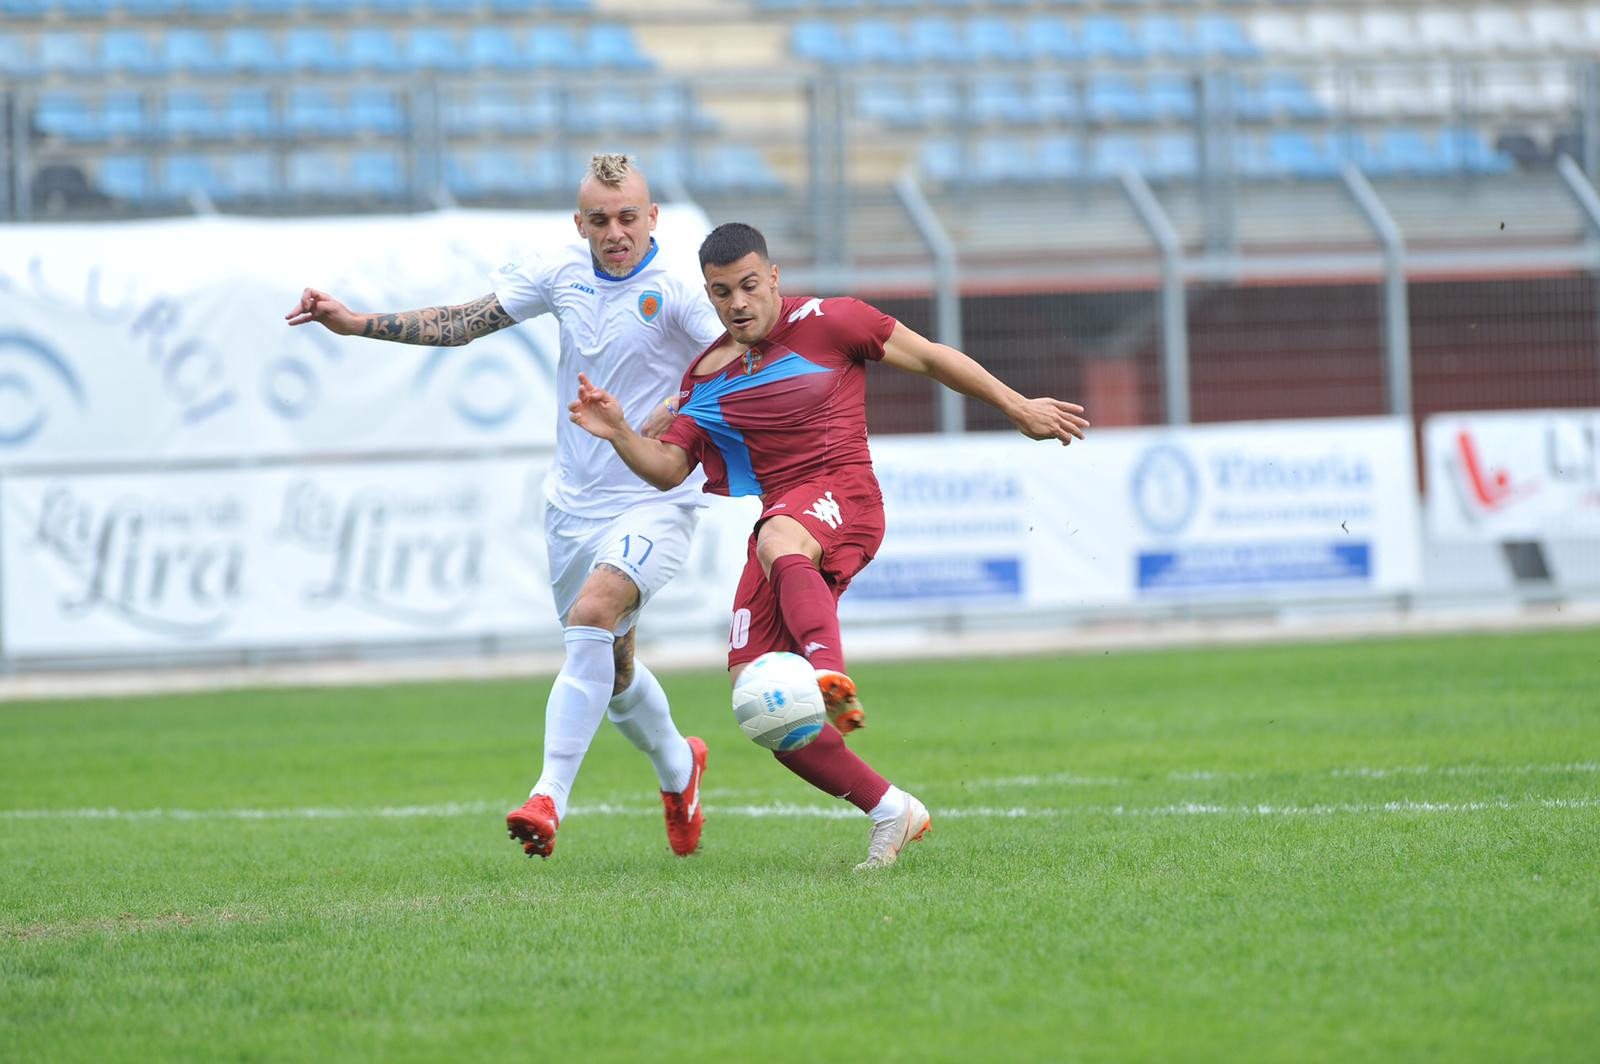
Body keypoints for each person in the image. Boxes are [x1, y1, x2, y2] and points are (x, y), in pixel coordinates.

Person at [568, 222, 1089, 869]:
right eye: (722, 292)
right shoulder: (702, 378)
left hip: (843, 494)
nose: (738, 303)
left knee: (779, 540)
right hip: (782, 525)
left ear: (774, 278)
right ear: (708, 294)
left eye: (750, 286)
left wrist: (1017, 407)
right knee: (761, 702)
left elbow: (931, 357)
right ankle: (891, 810)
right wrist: (620, 432)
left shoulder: (831, 321)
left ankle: (825, 667)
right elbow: (671, 469)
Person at [284, 154, 723, 860]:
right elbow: (464, 322)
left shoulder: (679, 288)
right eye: (600, 220)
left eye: (628, 218)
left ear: (653, 218)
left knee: (591, 616)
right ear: (579, 223)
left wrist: (672, 408)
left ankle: (548, 797)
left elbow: (737, 357)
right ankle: (680, 766)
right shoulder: (561, 271)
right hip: (573, 505)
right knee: (612, 670)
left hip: (654, 497)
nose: (615, 232)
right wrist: (357, 323)